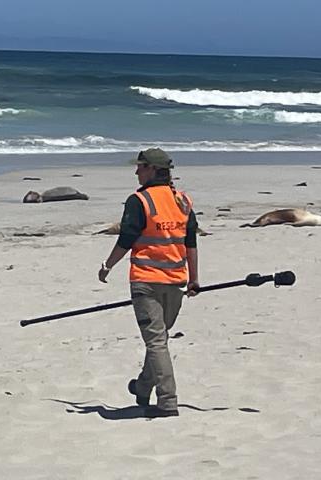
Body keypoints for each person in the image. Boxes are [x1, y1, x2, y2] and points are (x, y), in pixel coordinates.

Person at [98, 148, 199, 418]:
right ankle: (143, 387)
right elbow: (191, 243)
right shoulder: (183, 201)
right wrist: (194, 278)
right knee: (159, 339)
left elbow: (126, 239)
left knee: (156, 343)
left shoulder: (139, 201)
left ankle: (168, 402)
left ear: (153, 170)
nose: (136, 171)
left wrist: (107, 265)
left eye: (141, 166)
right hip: (176, 281)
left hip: (146, 281)